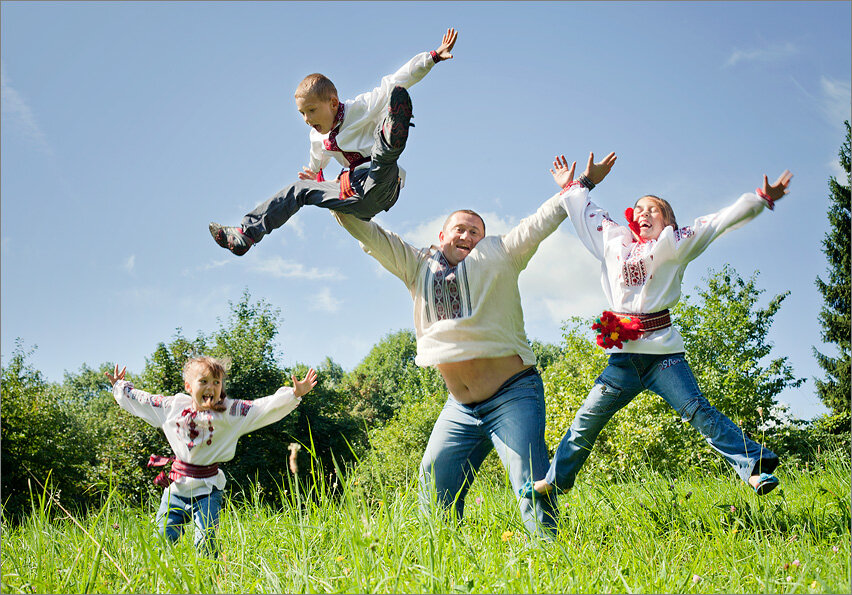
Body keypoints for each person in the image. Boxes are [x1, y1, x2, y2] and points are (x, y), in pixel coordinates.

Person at [331, 151, 617, 538]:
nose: (467, 235)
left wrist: (581, 183)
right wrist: (332, 193)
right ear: (442, 236)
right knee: (434, 485)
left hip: (513, 395)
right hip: (460, 408)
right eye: (460, 229)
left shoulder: (502, 253)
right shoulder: (416, 265)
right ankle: (443, 564)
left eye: (475, 231)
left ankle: (551, 560)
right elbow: (371, 236)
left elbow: (541, 221)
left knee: (529, 482)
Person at [520, 153, 791, 501]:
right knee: (585, 421)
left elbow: (715, 222)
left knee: (698, 412)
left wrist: (760, 199)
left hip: (664, 356)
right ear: (632, 219)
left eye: (654, 209)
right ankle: (557, 480)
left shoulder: (674, 243)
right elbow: (585, 211)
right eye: (640, 209)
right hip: (622, 362)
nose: (645, 213)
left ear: (668, 221)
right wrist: (576, 184)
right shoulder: (613, 240)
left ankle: (754, 470)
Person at [209, 27, 458, 256]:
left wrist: (433, 56)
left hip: (381, 181)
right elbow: (316, 163)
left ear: (333, 103)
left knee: (382, 154)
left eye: (312, 111)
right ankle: (246, 235)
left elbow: (395, 80)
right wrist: (315, 177)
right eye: (302, 113)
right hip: (352, 195)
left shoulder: (360, 108)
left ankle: (393, 129)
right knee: (298, 189)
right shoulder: (316, 136)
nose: (307, 119)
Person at [106, 356, 317, 557]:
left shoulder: (231, 412)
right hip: (177, 488)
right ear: (189, 387)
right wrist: (121, 388)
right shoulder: (173, 407)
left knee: (205, 541)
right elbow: (145, 400)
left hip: (208, 489)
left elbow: (261, 407)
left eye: (216, 382)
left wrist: (293, 394)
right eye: (203, 381)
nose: (211, 387)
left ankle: (211, 579)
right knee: (161, 540)